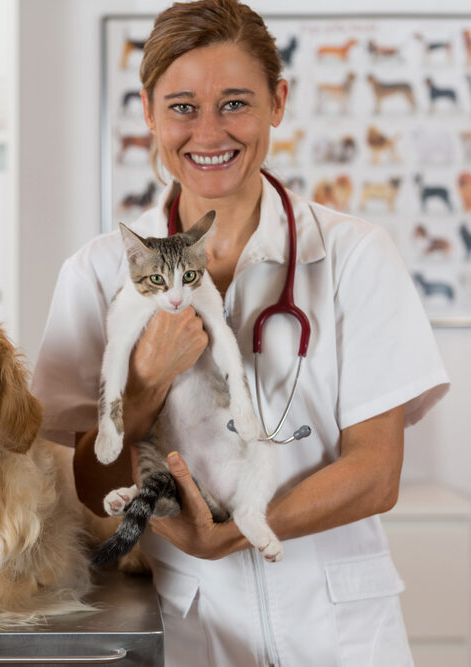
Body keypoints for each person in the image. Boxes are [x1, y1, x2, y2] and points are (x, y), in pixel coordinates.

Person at [31, 1, 449, 664]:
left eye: (235, 103)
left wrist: (236, 533)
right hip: (195, 624)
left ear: (278, 102)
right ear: (147, 113)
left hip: (340, 630)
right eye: (181, 107)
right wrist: (142, 383)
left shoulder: (354, 255)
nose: (208, 132)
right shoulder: (98, 272)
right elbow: (88, 480)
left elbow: (376, 471)